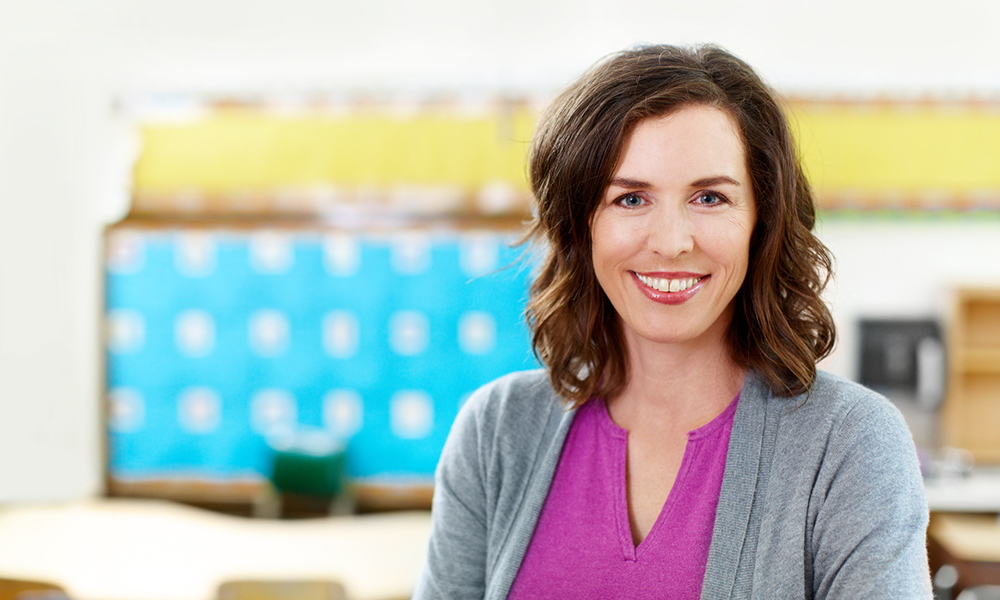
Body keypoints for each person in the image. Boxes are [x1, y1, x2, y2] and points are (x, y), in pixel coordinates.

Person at [413, 44, 931, 600]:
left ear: (763, 220)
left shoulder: (850, 444)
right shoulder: (496, 431)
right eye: (630, 199)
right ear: (580, 226)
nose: (671, 242)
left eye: (709, 197)